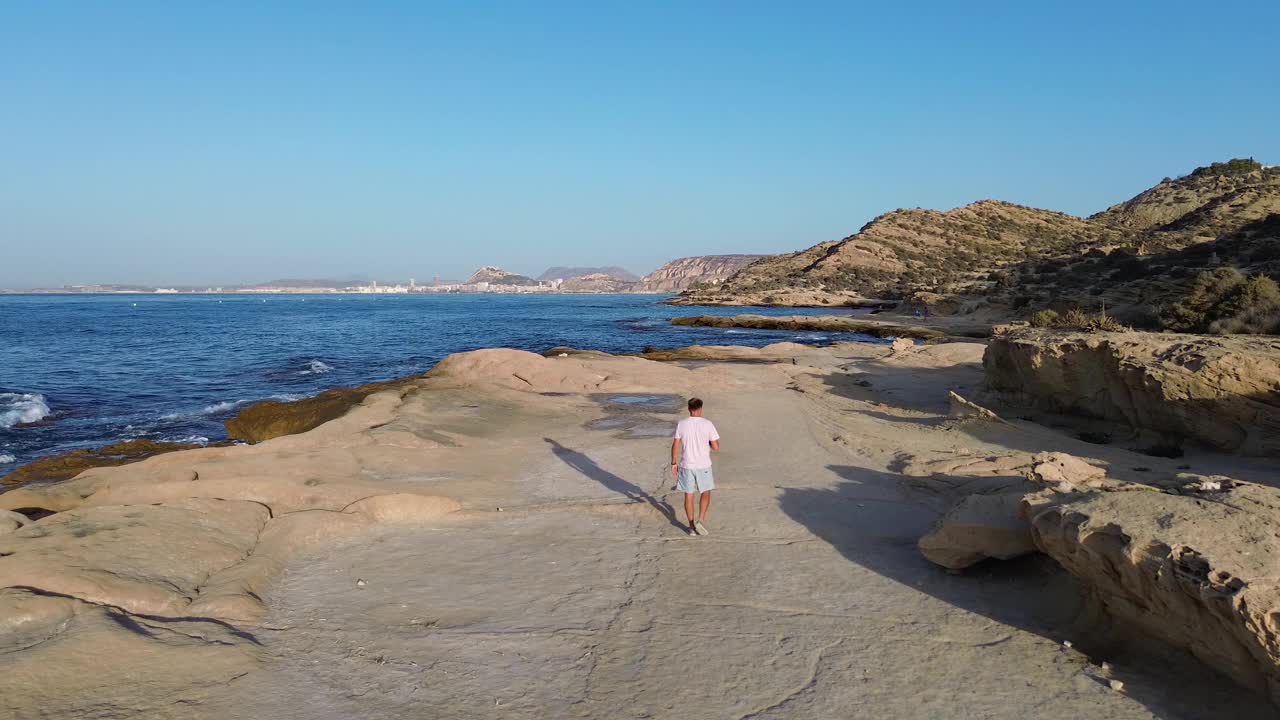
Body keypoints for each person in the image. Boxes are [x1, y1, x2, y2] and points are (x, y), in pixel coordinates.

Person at [671, 397, 720, 536]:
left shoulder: (682, 424)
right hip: (703, 465)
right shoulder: (708, 424)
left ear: (689, 409)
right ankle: (701, 520)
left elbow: (675, 445)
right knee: (706, 491)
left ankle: (691, 527)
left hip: (687, 465)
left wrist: (673, 462)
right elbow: (716, 447)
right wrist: (709, 443)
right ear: (700, 409)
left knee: (689, 494)